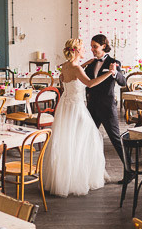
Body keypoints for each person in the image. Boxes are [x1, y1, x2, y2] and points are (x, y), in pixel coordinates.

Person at [44, 38, 117, 197]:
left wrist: (84, 64)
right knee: (88, 138)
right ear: (76, 51)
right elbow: (90, 83)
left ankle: (65, 177)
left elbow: (63, 79)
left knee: (67, 140)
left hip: (64, 106)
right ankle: (79, 177)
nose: (86, 50)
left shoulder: (65, 66)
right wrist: (110, 73)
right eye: (83, 48)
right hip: (76, 107)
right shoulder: (77, 68)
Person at [83, 34, 127, 164]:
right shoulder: (91, 64)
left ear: (103, 46)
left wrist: (115, 73)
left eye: (95, 46)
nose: (92, 49)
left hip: (107, 107)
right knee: (86, 137)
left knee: (115, 140)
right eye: (91, 46)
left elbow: (123, 82)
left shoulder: (114, 62)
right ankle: (88, 168)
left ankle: (129, 169)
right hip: (91, 107)